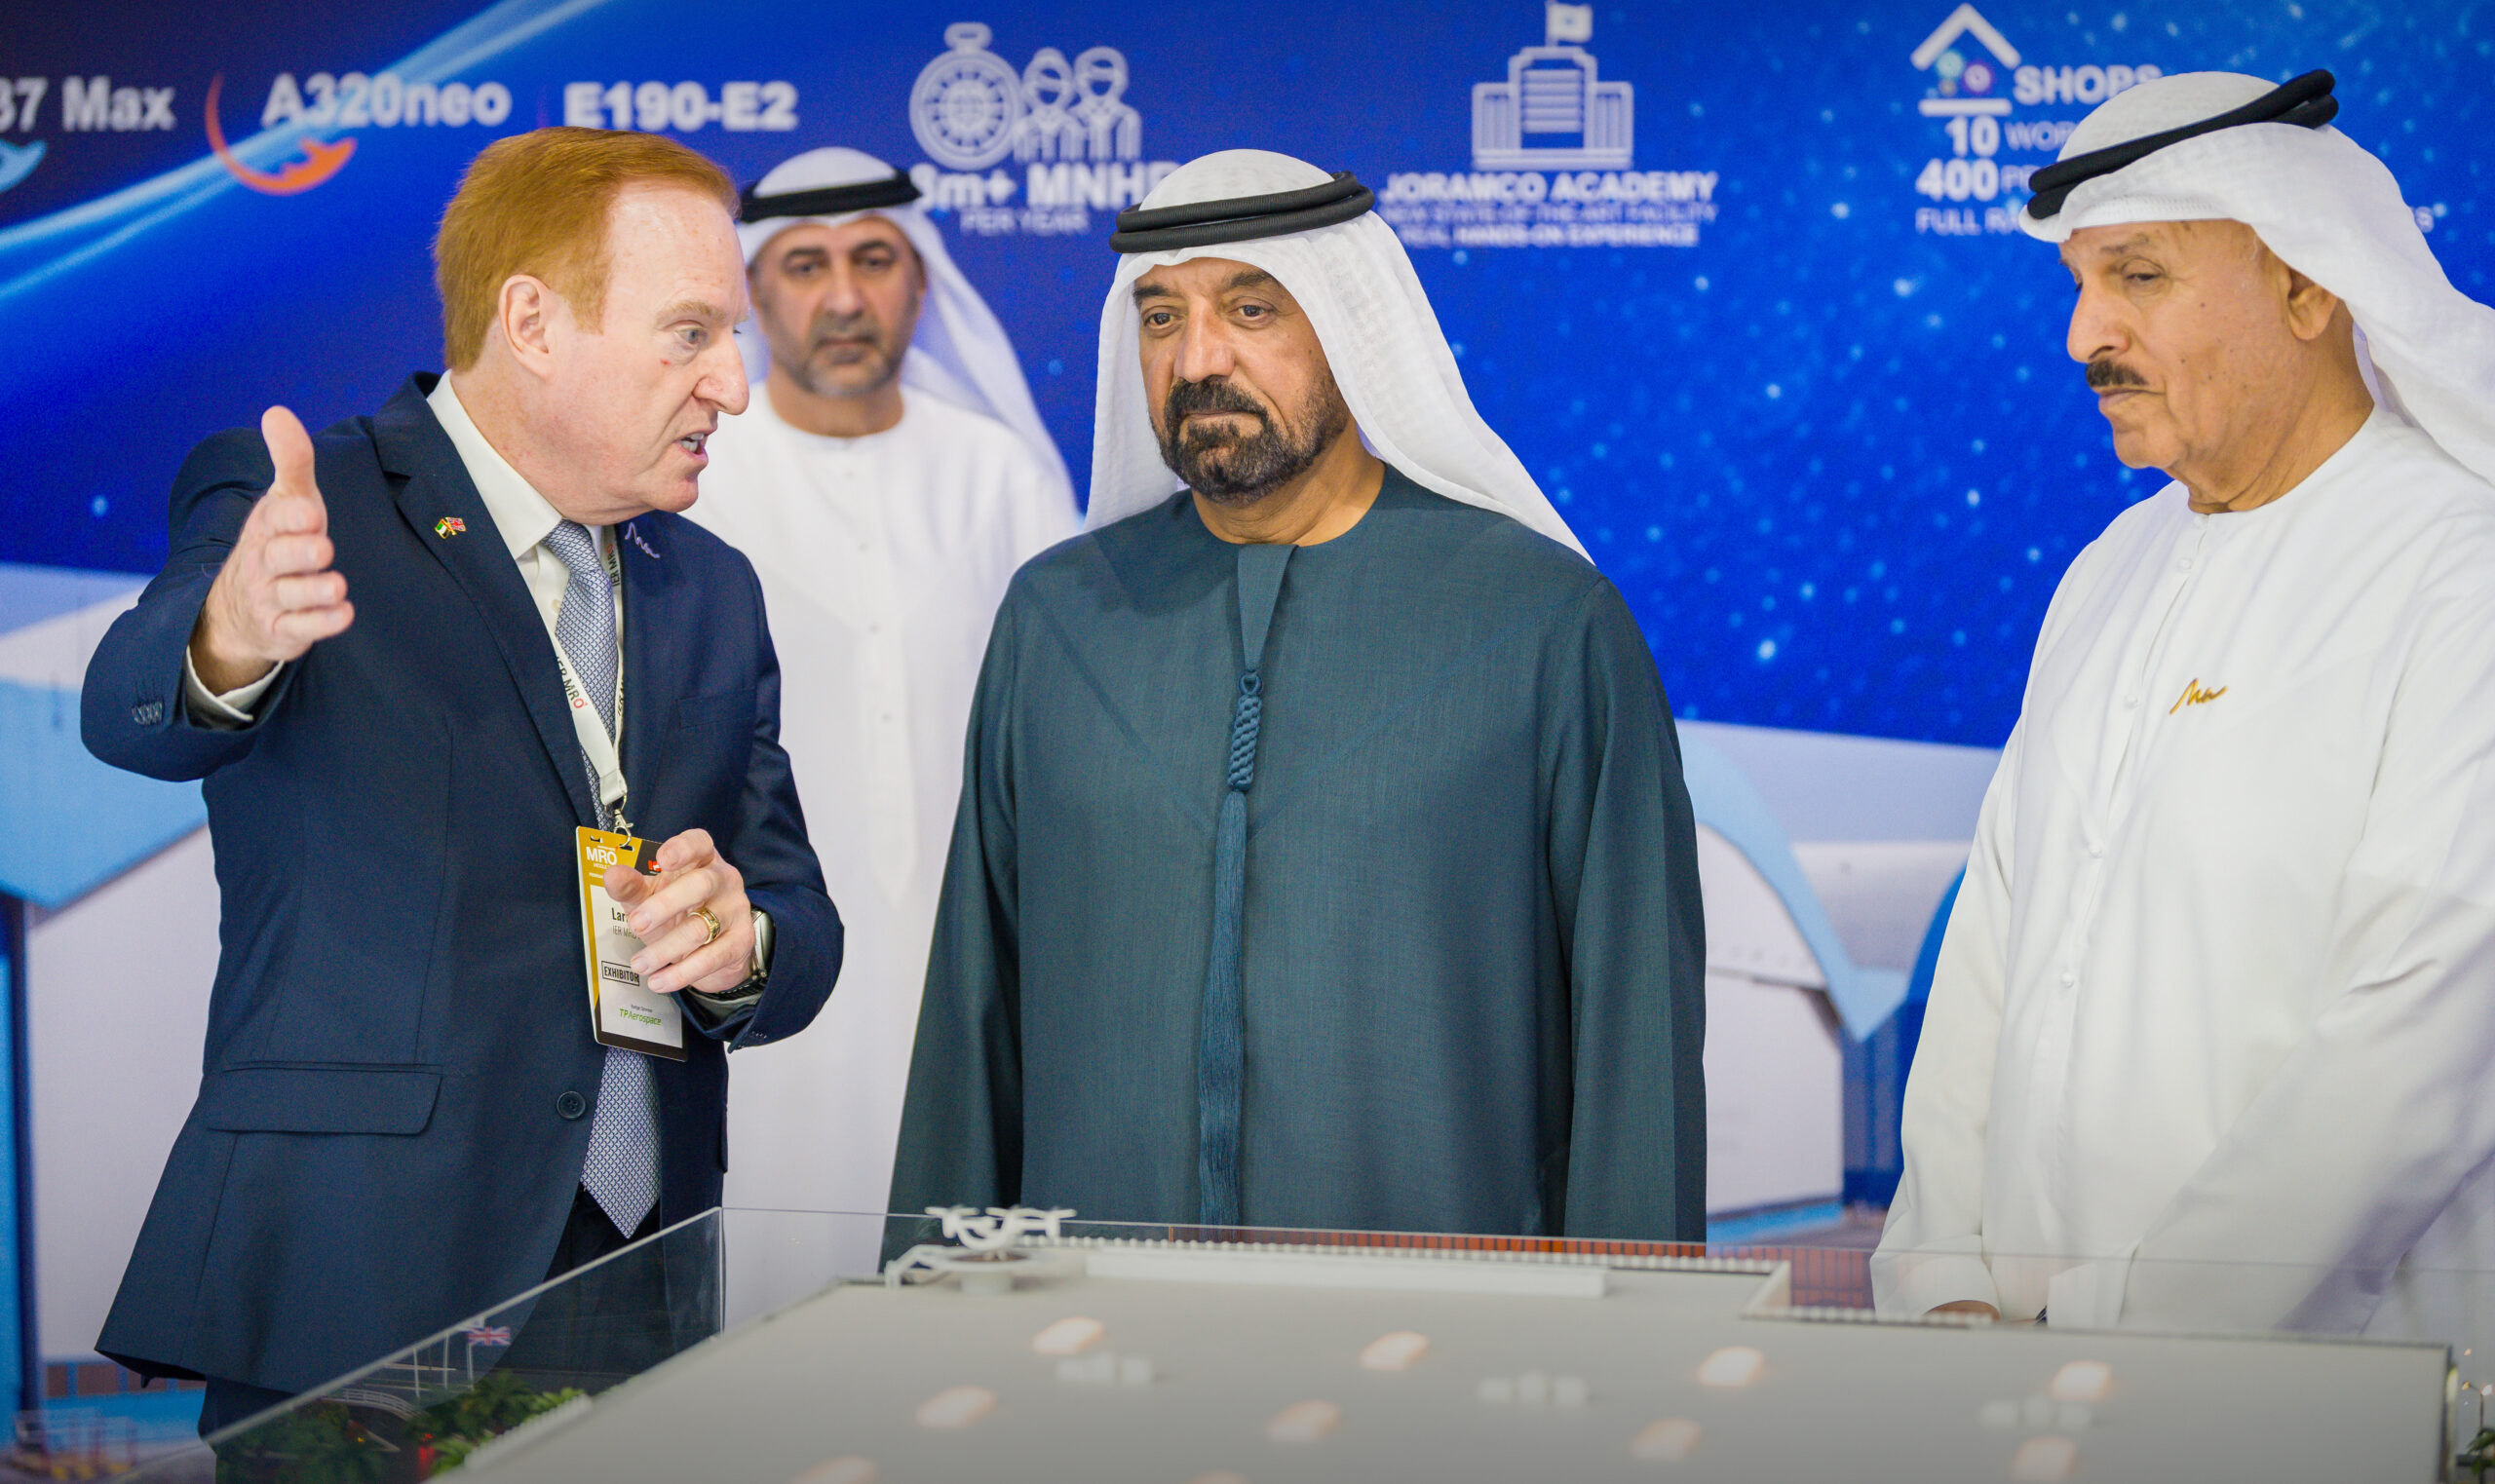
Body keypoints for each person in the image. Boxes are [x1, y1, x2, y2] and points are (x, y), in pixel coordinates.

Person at [81, 128, 841, 1429]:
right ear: (533, 323)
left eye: (730, 336)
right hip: (359, 1277)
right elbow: (130, 711)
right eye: (690, 334)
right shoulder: (306, 506)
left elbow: (798, 916)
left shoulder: (713, 587)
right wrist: (232, 633)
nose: (733, 383)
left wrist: (744, 943)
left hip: (639, 1271)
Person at [887, 149, 1707, 1243]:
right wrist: (930, 1295)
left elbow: (1637, 1035)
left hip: (1441, 1317)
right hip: (1096, 1321)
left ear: (1349, 326)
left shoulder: (1543, 624)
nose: (1198, 360)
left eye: (1251, 309)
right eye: (1162, 318)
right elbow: (972, 1017)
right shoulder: (1060, 620)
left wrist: (1633, 1324)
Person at [1873, 70, 2495, 1341]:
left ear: (2307, 286)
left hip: (2324, 1388)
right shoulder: (2108, 571)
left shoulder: (2458, 566)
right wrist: (1945, 1285)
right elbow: (1990, 959)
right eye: (2078, 284)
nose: (2082, 338)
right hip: (2018, 1374)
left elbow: (2421, 1034)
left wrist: (2135, 1330)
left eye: (2139, 277)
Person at [686, 148, 1075, 1219]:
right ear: (754, 291)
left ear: (921, 280)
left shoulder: (1001, 475)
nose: (845, 298)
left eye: (873, 259)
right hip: (751, 974)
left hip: (970, 971)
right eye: (806, 266)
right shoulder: (695, 477)